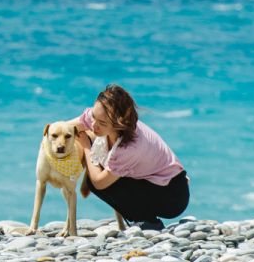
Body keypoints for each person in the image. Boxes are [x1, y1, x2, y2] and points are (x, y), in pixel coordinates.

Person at [66, 84, 189, 231]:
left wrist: (86, 147)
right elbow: (65, 127)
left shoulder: (129, 148)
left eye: (102, 123)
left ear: (119, 123)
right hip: (153, 181)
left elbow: (99, 183)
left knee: (95, 182)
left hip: (172, 195)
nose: (93, 125)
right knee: (99, 165)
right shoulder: (101, 117)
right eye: (93, 117)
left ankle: (147, 221)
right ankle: (143, 216)